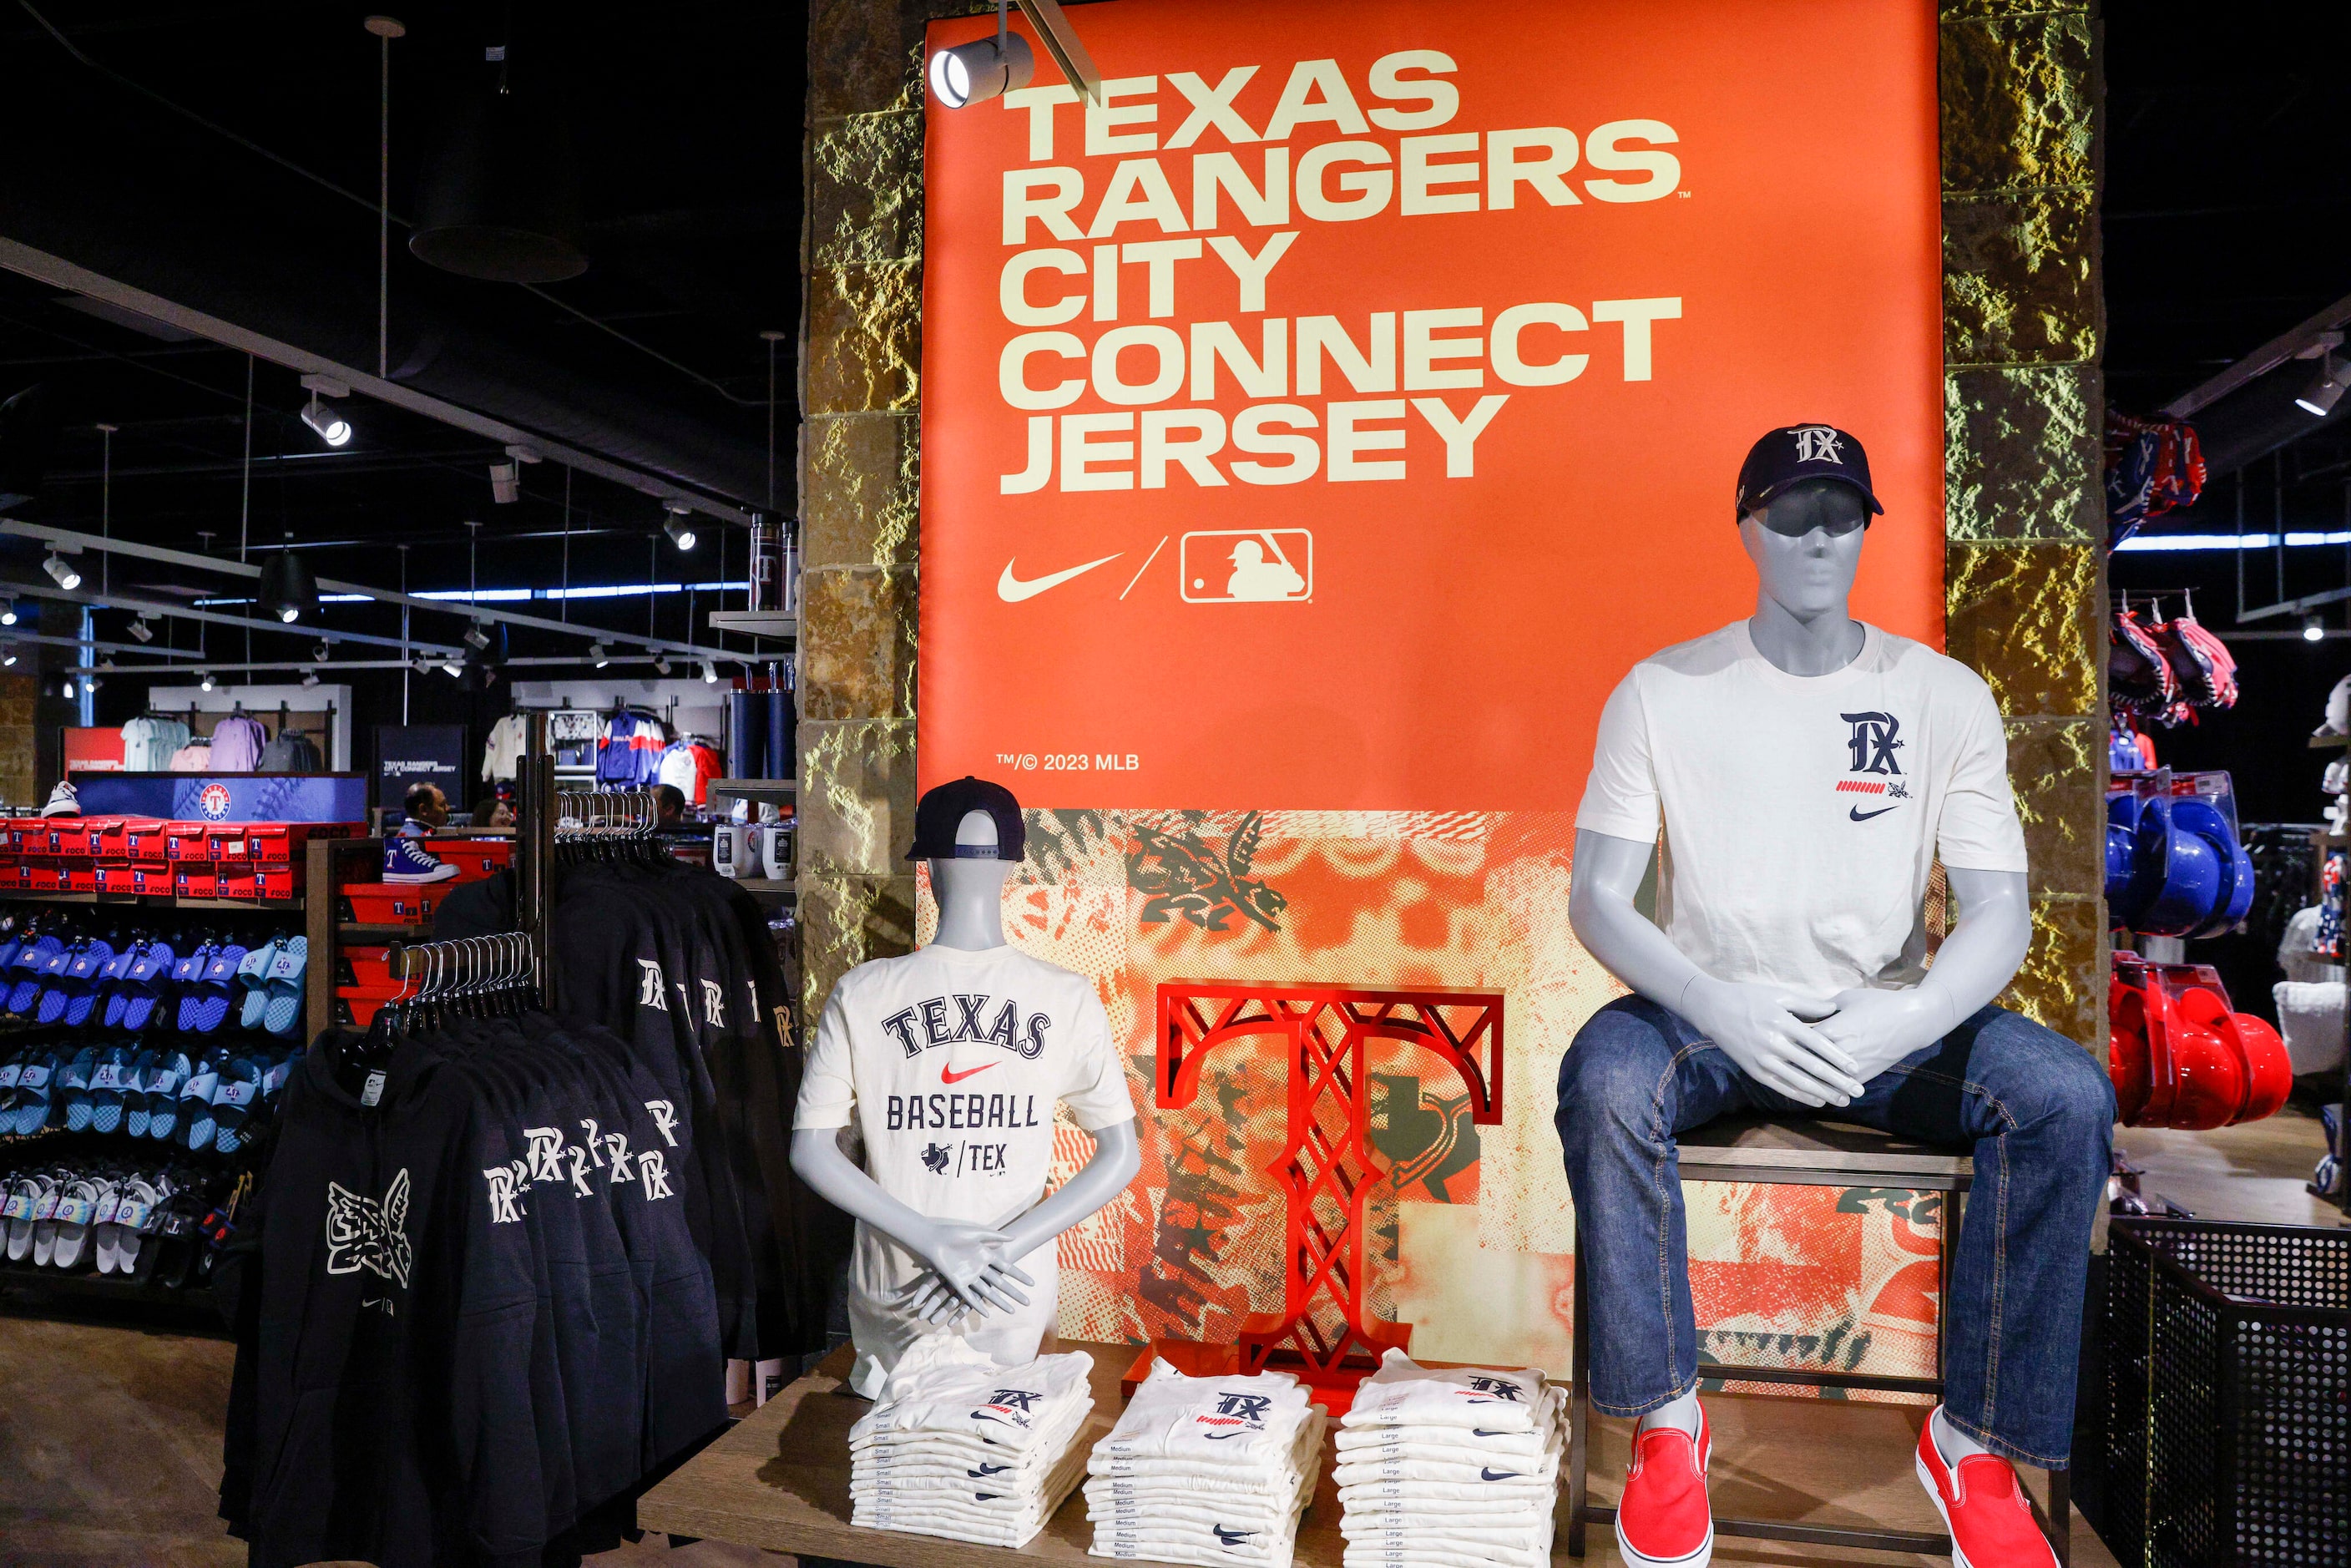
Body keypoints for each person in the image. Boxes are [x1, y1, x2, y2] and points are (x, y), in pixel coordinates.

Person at [1555, 424, 2111, 1568]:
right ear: (1748, 525)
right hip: (1711, 1020)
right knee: (1603, 1076)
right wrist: (1716, 1000)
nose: (1819, 536)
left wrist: (1909, 1015)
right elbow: (1599, 901)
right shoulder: (1661, 689)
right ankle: (1668, 1423)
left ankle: (1975, 1441)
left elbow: (2000, 908)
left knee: (2064, 1096)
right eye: (1793, 511)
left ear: (1868, 525)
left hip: (1887, 1018)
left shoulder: (1943, 695)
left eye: (1841, 512)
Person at [384, 781, 458, 884]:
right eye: (442, 805)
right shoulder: (414, 838)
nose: (448, 808)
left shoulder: (417, 833)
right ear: (423, 810)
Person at [1224, 536, 1305, 600]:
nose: (1236, 564)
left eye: (1241, 559)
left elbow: (1298, 587)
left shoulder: (1275, 570)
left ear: (1252, 559)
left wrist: (1290, 574)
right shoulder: (1237, 577)